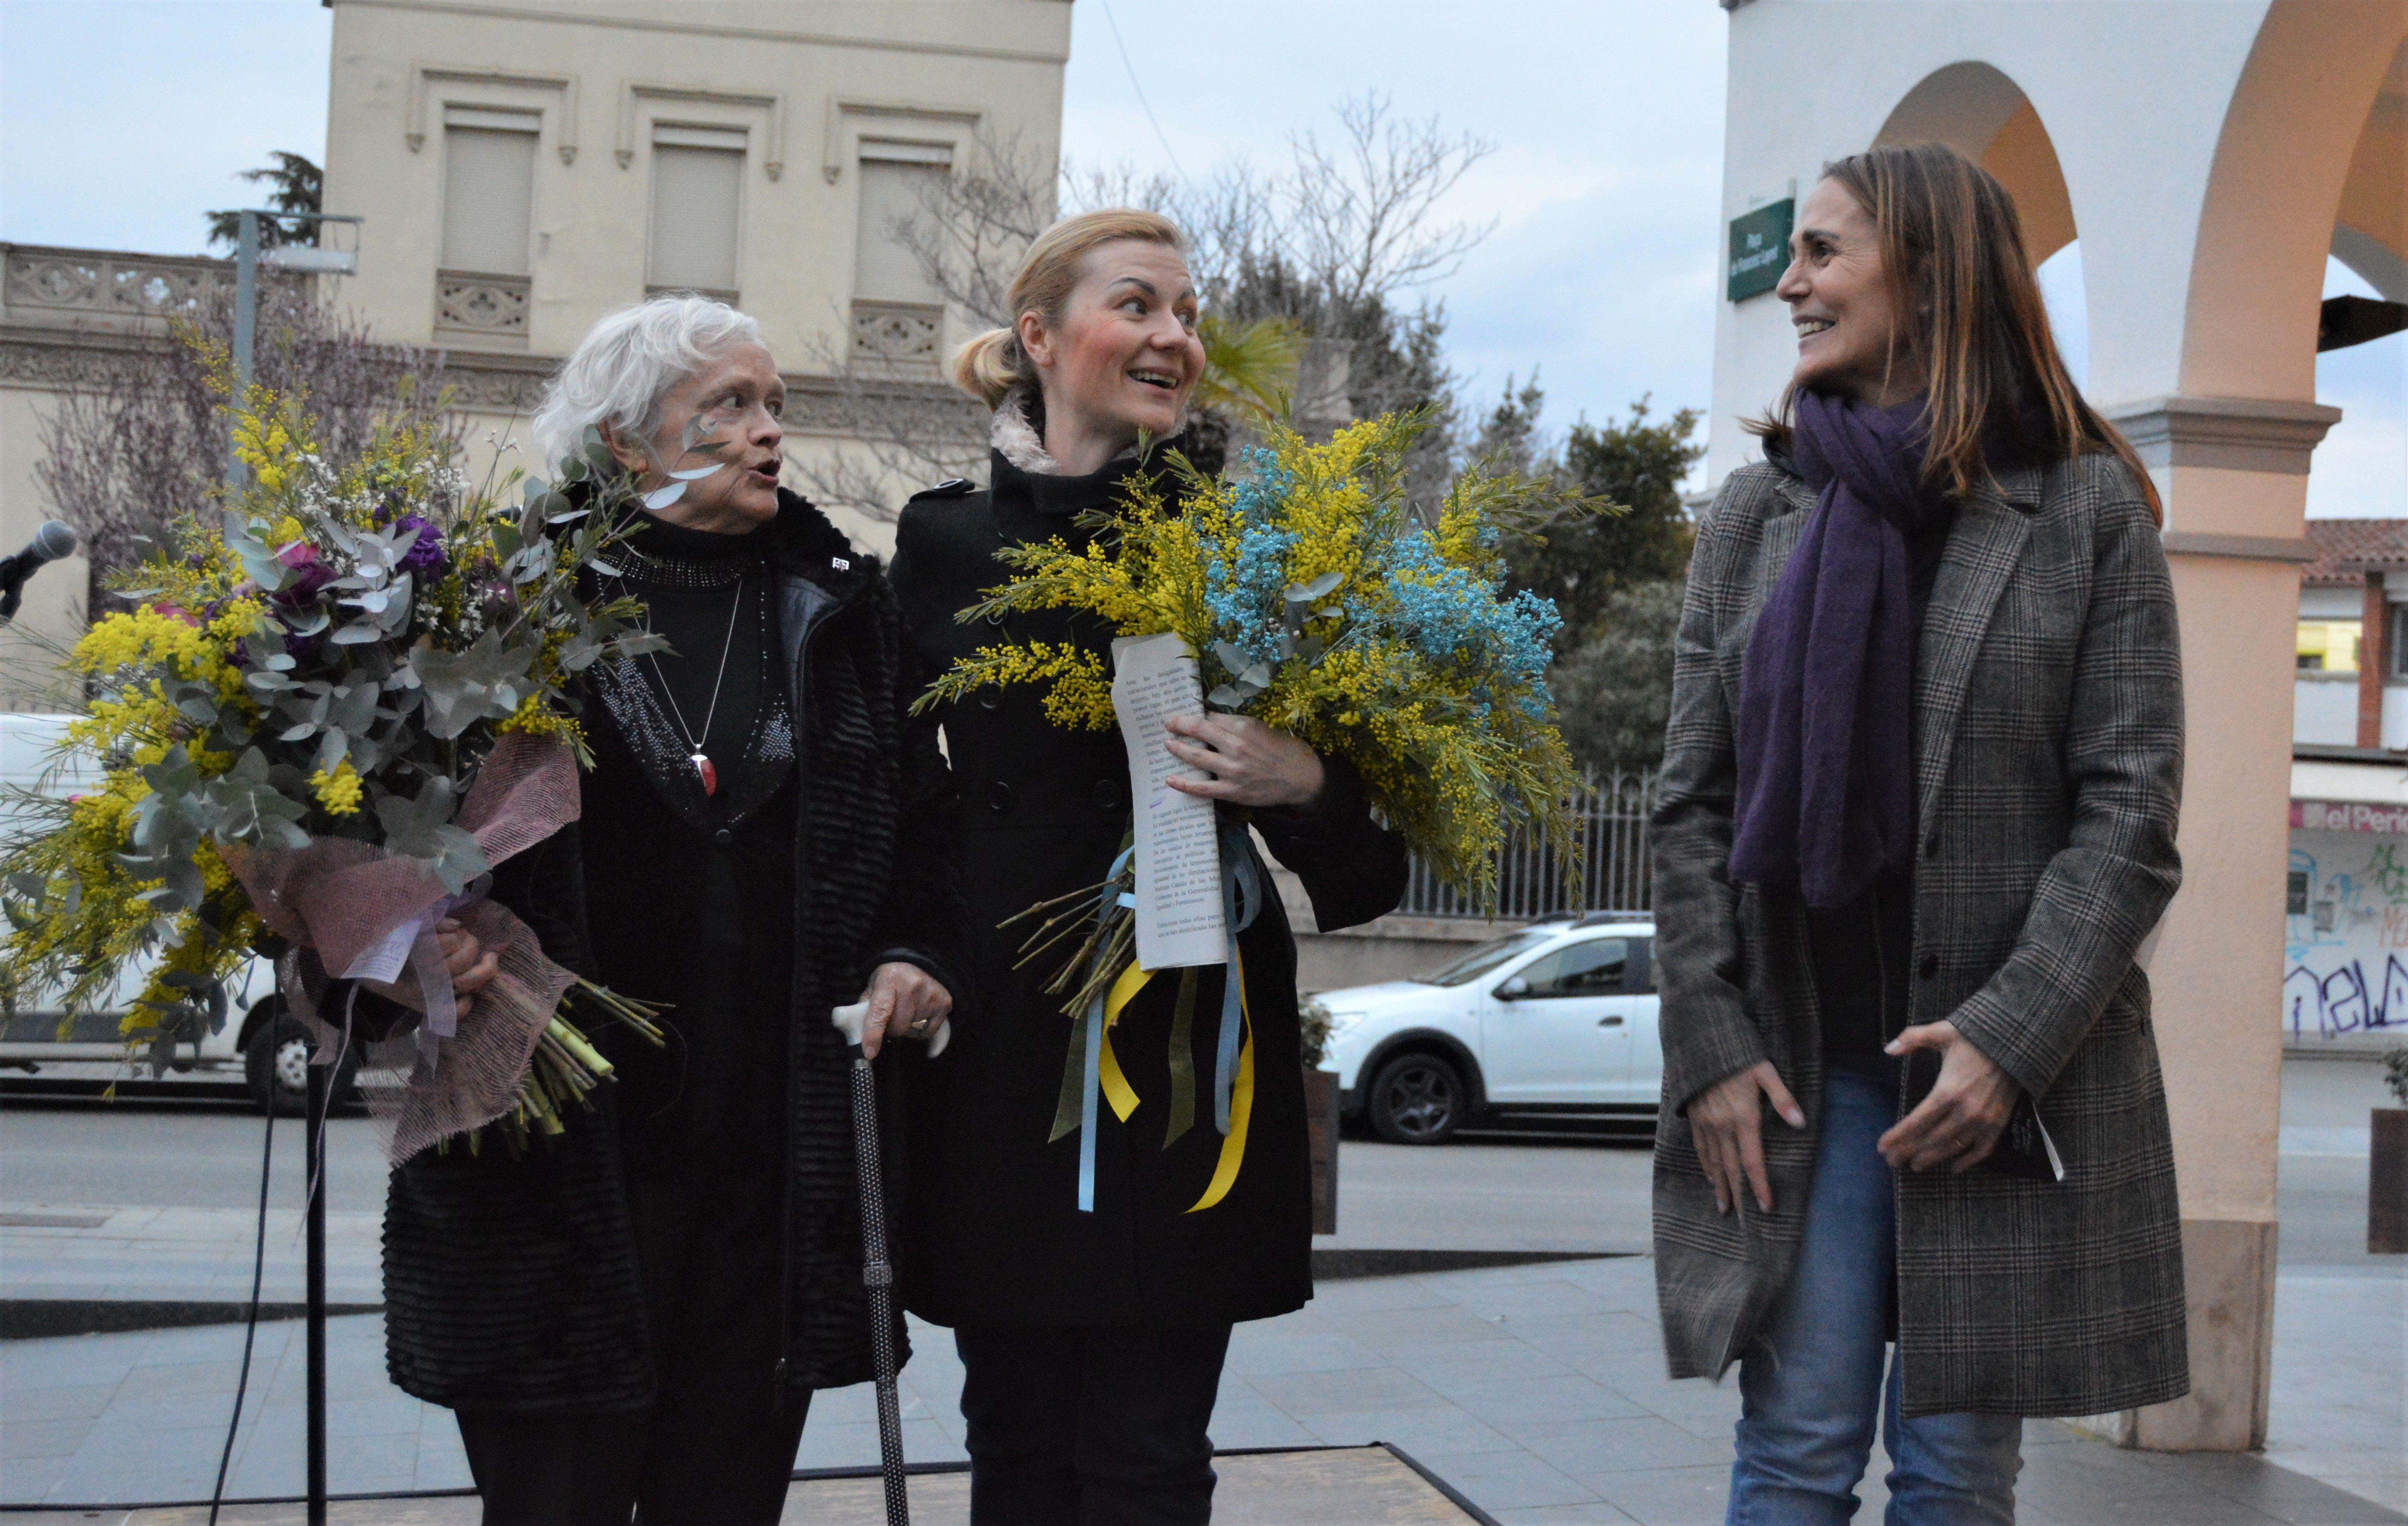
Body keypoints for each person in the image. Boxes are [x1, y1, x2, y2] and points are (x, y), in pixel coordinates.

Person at [1650, 143, 2189, 1524]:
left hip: (1999, 1078)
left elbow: (2128, 811)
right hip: (1803, 1065)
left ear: (1932, 271)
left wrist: (2009, 1042)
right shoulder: (1756, 514)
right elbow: (1689, 801)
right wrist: (1709, 1044)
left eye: (1823, 252)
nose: (1791, 282)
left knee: (1957, 1476)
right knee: (1794, 1454)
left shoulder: (2083, 512)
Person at [376, 293, 969, 1525]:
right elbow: (378, 832)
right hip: (550, 1167)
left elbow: (926, 831)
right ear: (623, 445)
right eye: (729, 408)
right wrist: (405, 939)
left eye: (774, 408)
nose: (768, 433)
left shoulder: (844, 619)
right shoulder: (495, 616)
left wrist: (914, 953)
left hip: (767, 1161)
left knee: (726, 1502)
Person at [888, 208, 1409, 1525]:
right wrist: (905, 957)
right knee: (1009, 1434)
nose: (1174, 337)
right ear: (1039, 339)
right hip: (1006, 1041)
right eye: (1138, 306)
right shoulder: (939, 541)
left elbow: (1370, 865)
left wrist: (1301, 780)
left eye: (1184, 313)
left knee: (1149, 1448)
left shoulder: (1258, 549)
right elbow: (900, 805)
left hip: (1193, 1039)